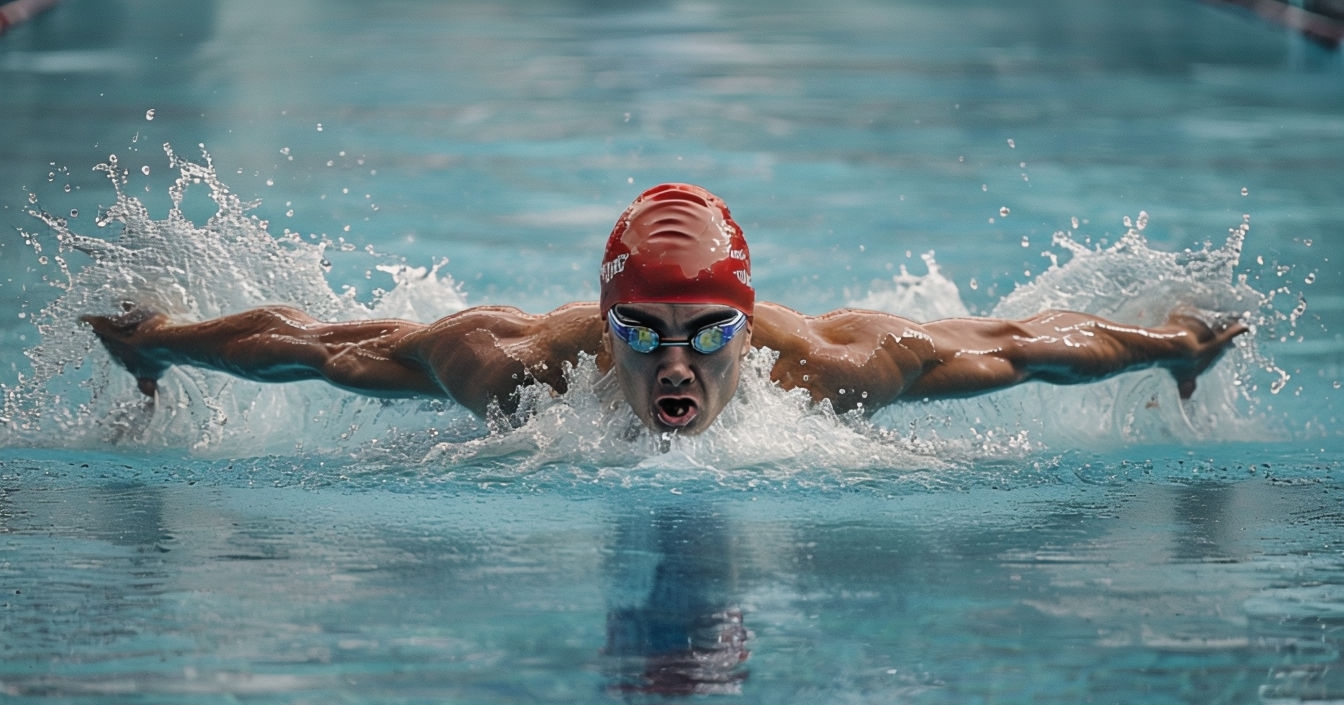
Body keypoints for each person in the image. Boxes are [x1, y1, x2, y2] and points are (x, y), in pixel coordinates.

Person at [81, 183, 1247, 437]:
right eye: (643, 333)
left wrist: (1170, 348)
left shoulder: (832, 369)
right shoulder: (510, 368)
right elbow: (315, 347)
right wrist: (163, 343)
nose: (675, 363)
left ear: (747, 331)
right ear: (604, 331)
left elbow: (1026, 349)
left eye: (707, 334)